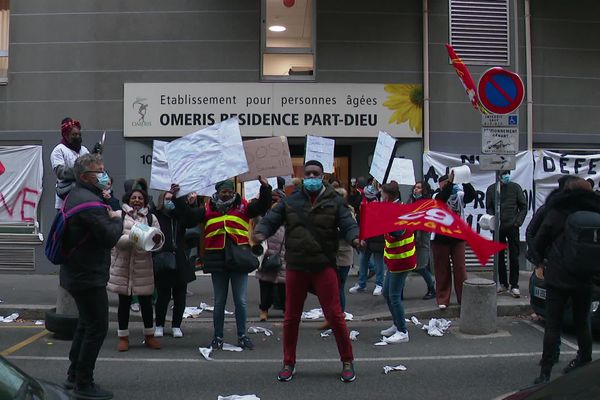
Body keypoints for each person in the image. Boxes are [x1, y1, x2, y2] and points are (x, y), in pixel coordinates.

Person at [254, 160, 362, 383]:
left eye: (316, 174)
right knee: (291, 317)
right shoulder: (291, 201)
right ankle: (288, 362)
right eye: (308, 173)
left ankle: (347, 360)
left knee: (335, 315)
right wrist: (261, 232)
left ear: (322, 176)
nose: (312, 177)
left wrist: (355, 238)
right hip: (296, 265)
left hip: (323, 265)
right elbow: (271, 220)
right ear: (303, 176)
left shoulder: (335, 201)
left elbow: (348, 223)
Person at [59, 153, 122, 400]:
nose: (104, 175)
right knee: (97, 327)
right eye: (100, 171)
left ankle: (74, 375)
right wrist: (117, 218)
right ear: (86, 176)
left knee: (86, 325)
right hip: (87, 275)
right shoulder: (89, 203)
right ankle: (84, 383)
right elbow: (109, 236)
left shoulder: (77, 195)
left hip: (76, 272)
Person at [532, 178, 600, 384]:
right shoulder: (596, 213)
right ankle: (585, 361)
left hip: (558, 277)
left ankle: (545, 371)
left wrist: (542, 260)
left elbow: (538, 241)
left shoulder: (557, 211)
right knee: (582, 323)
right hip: (586, 278)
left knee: (553, 324)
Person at [202, 178, 272, 350]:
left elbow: (262, 206)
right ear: (217, 193)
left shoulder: (244, 207)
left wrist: (265, 188)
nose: (226, 194)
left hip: (239, 259)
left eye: (229, 191)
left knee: (240, 300)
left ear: (234, 192)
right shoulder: (207, 208)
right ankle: (217, 337)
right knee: (219, 301)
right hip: (217, 260)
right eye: (223, 191)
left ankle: (242, 335)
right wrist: (179, 200)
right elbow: (188, 217)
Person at [107, 187, 163, 352]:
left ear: (145, 201)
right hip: (123, 266)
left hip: (143, 266)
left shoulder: (151, 218)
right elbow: (116, 239)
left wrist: (156, 240)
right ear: (128, 199)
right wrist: (135, 236)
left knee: (146, 303)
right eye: (134, 197)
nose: (137, 200)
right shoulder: (120, 215)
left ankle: (149, 336)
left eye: (140, 198)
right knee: (124, 304)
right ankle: (123, 337)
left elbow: (158, 244)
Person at [153, 186, 203, 338]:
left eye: (172, 199)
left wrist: (180, 199)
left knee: (180, 294)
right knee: (163, 295)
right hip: (163, 258)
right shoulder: (156, 216)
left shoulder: (180, 216)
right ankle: (159, 325)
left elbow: (193, 217)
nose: (170, 202)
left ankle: (176, 325)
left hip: (180, 258)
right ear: (162, 200)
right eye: (167, 199)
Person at [431, 171, 476, 309]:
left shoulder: (459, 195)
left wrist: (465, 180)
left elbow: (471, 196)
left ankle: (463, 298)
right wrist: (449, 184)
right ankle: (443, 299)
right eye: (445, 183)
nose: (447, 185)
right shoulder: (436, 196)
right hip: (440, 238)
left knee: (460, 269)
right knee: (442, 269)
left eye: (449, 182)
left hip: (457, 237)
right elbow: (442, 199)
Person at [379, 182, 416, 344]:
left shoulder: (398, 210)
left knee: (394, 296)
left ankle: (402, 331)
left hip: (402, 259)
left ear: (387, 195)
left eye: (382, 194)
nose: (381, 197)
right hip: (395, 258)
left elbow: (398, 231)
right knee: (387, 293)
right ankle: (397, 324)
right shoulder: (393, 207)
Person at [486, 170, 527, 297]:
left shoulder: (515, 188)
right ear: (498, 175)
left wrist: (518, 222)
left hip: (512, 226)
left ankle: (514, 285)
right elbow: (489, 207)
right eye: (504, 174)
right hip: (498, 228)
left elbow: (523, 206)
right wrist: (492, 219)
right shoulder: (492, 189)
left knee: (514, 256)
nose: (506, 176)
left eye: (508, 173)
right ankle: (503, 283)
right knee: (499, 257)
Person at [256, 188, 287, 322]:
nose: (274, 202)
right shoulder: (264, 216)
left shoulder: (288, 215)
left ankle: (287, 310)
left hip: (285, 256)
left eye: (276, 200)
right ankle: (264, 309)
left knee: (284, 286)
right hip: (268, 255)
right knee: (265, 285)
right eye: (272, 200)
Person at [349, 184, 385, 296]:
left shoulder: (378, 205)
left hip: (377, 238)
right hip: (366, 237)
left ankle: (379, 284)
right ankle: (361, 283)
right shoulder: (363, 204)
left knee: (378, 262)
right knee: (363, 260)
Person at [50, 117, 90, 209]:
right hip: (65, 200)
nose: (78, 137)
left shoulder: (84, 150)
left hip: (83, 197)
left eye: (79, 134)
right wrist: (81, 172)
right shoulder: (59, 150)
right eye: (74, 134)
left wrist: (94, 156)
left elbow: (90, 168)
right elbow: (61, 172)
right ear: (66, 136)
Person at [408, 181, 436, 300]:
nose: (416, 190)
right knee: (411, 265)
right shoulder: (411, 201)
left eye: (419, 188)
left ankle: (431, 287)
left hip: (422, 237)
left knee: (421, 266)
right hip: (411, 237)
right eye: (415, 187)